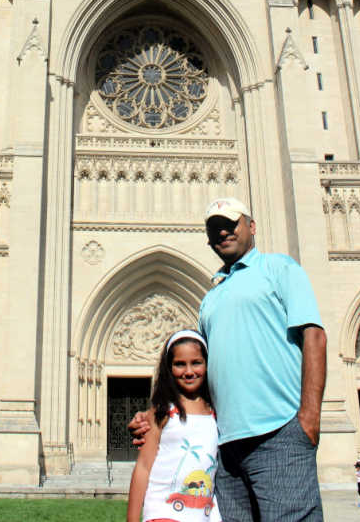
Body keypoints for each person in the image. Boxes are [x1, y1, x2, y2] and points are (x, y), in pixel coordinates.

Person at [131, 197, 327, 522]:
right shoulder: (211, 298)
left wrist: (308, 418)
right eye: (215, 229)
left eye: (231, 224)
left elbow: (314, 336)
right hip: (225, 445)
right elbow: (201, 373)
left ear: (251, 226)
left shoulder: (278, 268)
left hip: (278, 430)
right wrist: (157, 414)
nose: (223, 233)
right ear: (208, 240)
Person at [127, 330, 220, 522]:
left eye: (196, 362)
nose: (188, 371)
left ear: (207, 364)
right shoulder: (163, 412)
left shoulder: (216, 413)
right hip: (163, 513)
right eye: (179, 364)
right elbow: (143, 467)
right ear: (169, 368)